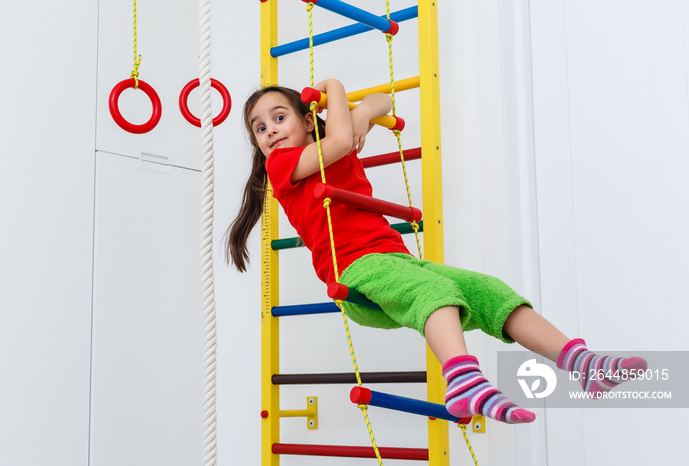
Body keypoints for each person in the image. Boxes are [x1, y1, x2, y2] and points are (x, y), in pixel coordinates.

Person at [226, 79, 648, 424]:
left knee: (487, 291)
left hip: (395, 262)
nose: (270, 132)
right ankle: (463, 382)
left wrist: (360, 114)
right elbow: (337, 136)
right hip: (356, 276)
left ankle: (582, 364)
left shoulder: (333, 148)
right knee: (433, 291)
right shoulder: (281, 166)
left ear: (306, 119)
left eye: (279, 118)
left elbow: (380, 99)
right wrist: (335, 89)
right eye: (259, 129)